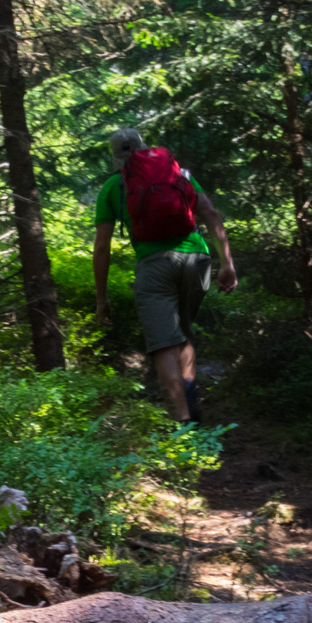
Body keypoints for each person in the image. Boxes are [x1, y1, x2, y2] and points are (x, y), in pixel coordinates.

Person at [92, 129, 238, 423]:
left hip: (154, 266)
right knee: (182, 333)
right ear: (145, 148)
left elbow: (102, 247)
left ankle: (184, 430)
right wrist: (227, 265)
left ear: (116, 158)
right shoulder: (178, 174)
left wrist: (101, 296)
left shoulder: (112, 187)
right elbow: (209, 213)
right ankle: (192, 406)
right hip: (197, 260)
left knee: (164, 345)